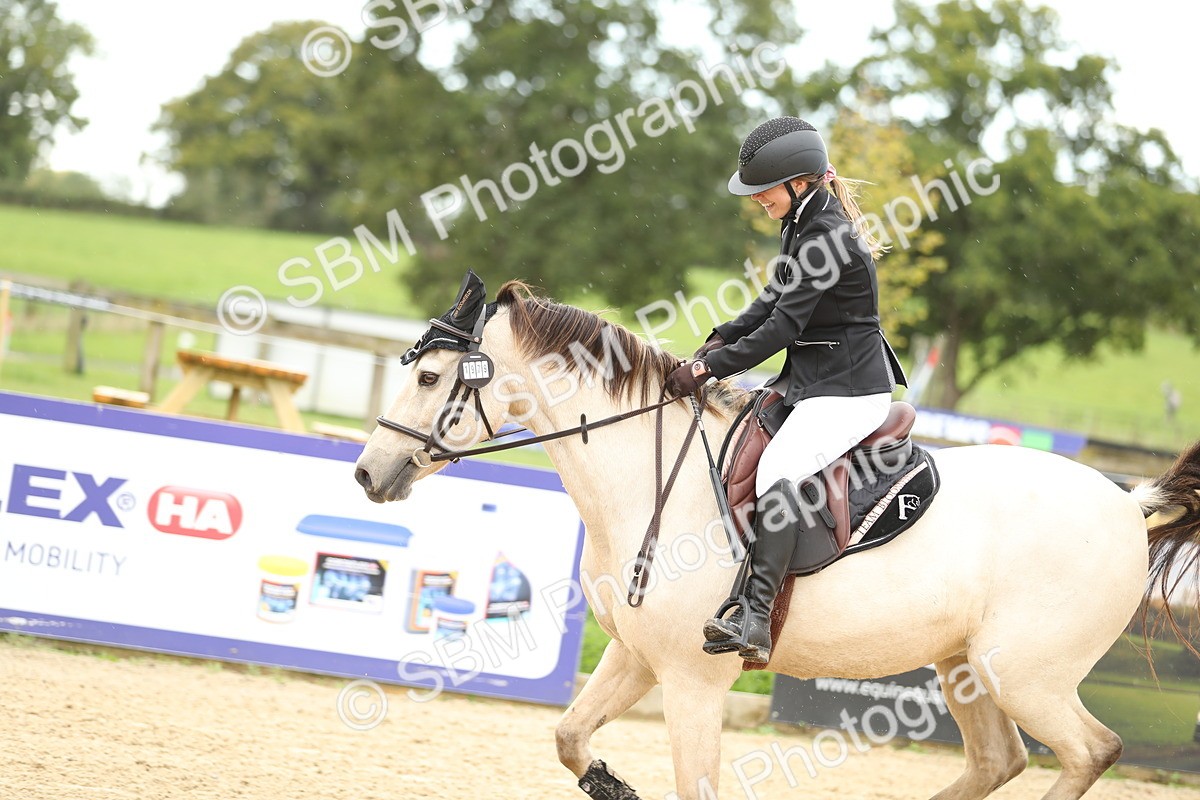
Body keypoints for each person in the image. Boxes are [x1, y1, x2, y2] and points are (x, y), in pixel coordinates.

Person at [664, 116, 908, 663]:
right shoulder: (801, 219)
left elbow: (782, 328)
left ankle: (755, 616)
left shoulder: (827, 236)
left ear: (798, 182)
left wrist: (706, 371)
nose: (756, 199)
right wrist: (721, 337)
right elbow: (771, 300)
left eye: (764, 189)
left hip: (848, 392)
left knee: (778, 469)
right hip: (814, 382)